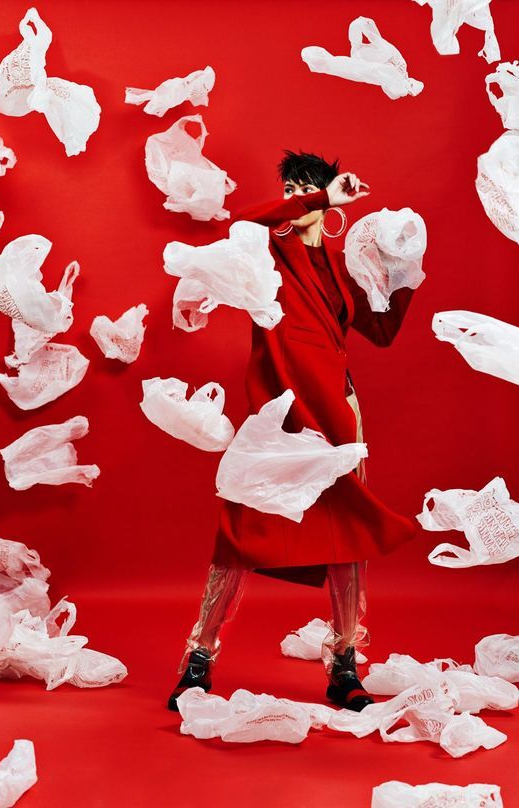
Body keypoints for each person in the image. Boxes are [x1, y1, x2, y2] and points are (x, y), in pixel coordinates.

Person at [168, 150, 420, 713]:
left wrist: (404, 267)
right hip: (279, 415)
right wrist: (320, 197)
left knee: (346, 538)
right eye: (293, 187)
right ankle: (198, 660)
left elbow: (380, 329)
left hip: (337, 414)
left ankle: (344, 665)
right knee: (239, 536)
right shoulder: (266, 251)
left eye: (310, 185)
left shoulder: (339, 266)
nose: (299, 195)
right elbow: (246, 221)